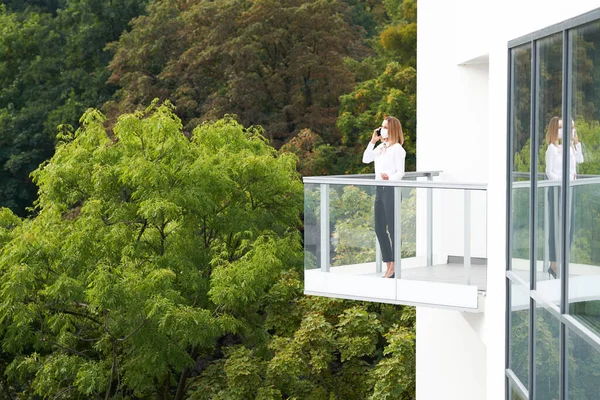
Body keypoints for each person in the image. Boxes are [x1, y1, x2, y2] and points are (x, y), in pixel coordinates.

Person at [362, 116, 406, 278]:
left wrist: (390, 178)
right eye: (381, 127)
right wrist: (373, 141)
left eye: (385, 127)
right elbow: (366, 159)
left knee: (393, 229)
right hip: (380, 189)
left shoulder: (397, 149)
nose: (382, 129)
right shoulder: (381, 147)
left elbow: (401, 172)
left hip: (391, 189)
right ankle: (388, 264)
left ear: (392, 129)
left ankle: (394, 266)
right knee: (379, 228)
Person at [545, 116, 583, 279]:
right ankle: (554, 263)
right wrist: (563, 179)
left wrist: (576, 143)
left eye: (570, 128)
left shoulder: (568, 147)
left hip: (569, 189)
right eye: (563, 128)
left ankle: (562, 259)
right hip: (557, 190)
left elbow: (580, 160)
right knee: (556, 225)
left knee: (569, 224)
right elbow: (549, 172)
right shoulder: (552, 149)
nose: (568, 131)